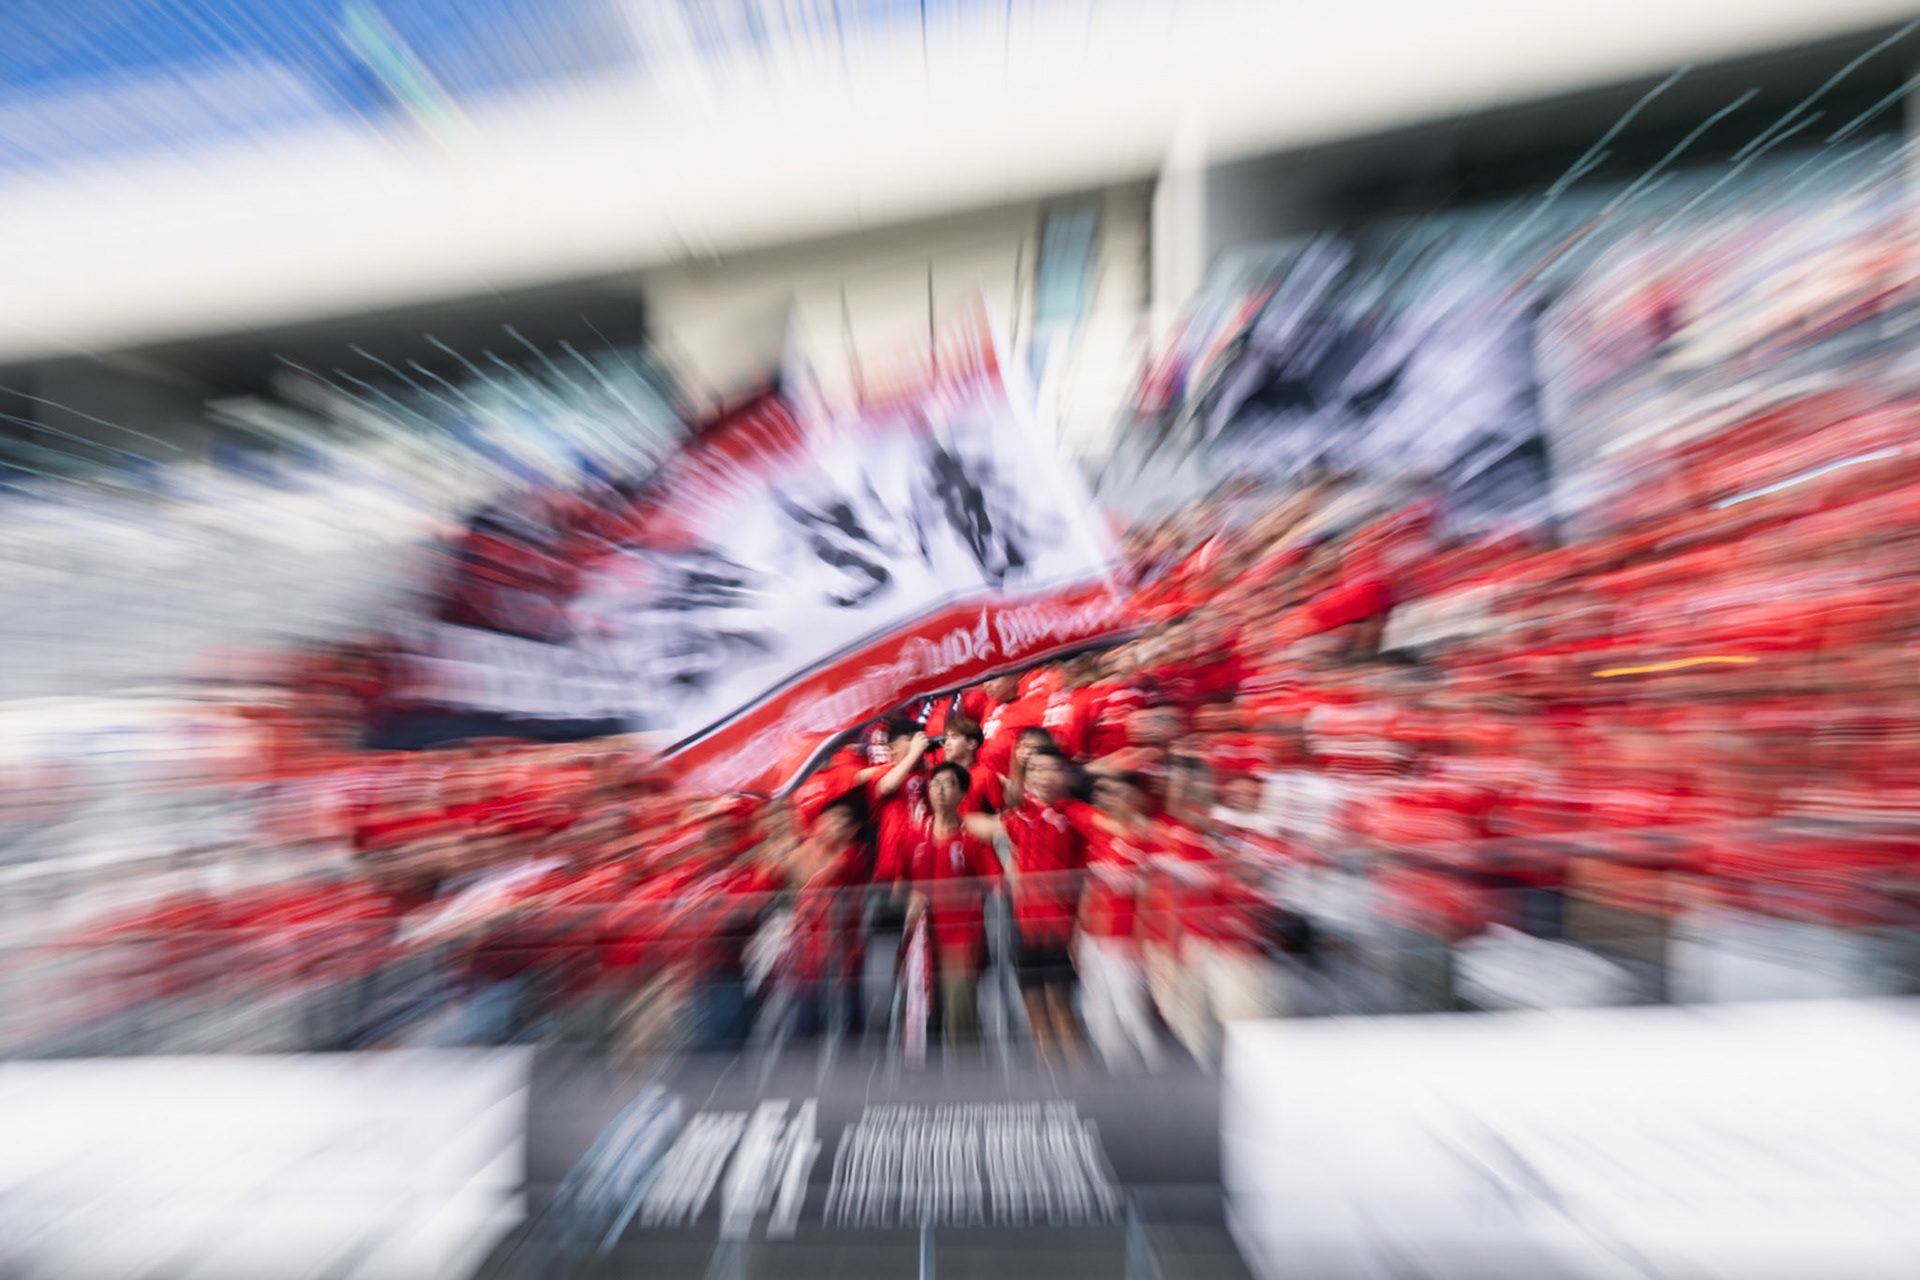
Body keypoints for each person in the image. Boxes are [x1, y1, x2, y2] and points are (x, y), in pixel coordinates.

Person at [961, 743, 1088, 1068]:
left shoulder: (1072, 814)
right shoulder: (1019, 818)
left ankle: (1084, 1086)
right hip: (1024, 927)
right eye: (1036, 770)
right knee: (1035, 1011)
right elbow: (975, 823)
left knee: (1062, 1009)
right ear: (1027, 776)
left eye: (1051, 769)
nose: (1044, 776)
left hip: (1062, 930)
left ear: (1064, 774)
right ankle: (1052, 1083)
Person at [903, 761, 1003, 1047]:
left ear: (962, 794)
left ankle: (968, 1084)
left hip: (961, 941)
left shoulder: (971, 838)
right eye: (934, 784)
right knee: (922, 1018)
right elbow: (901, 883)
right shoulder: (912, 835)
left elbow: (996, 883)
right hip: (921, 942)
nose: (939, 790)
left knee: (960, 1016)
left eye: (948, 784)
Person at [1073, 773, 1164, 1072]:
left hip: (1125, 939)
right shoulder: (1101, 836)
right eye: (1112, 794)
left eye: (1123, 794)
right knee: (1096, 1009)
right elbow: (1090, 888)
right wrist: (1078, 932)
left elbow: (1155, 896)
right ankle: (1116, 1074)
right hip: (1093, 937)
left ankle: (1155, 1072)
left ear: (1136, 798)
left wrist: (1144, 937)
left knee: (1131, 1011)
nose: (1116, 800)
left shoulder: (1148, 839)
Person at [939, 717, 1003, 814]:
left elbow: (1001, 814)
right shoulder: (942, 775)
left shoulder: (985, 775)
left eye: (954, 737)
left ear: (971, 744)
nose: (947, 743)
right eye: (947, 737)